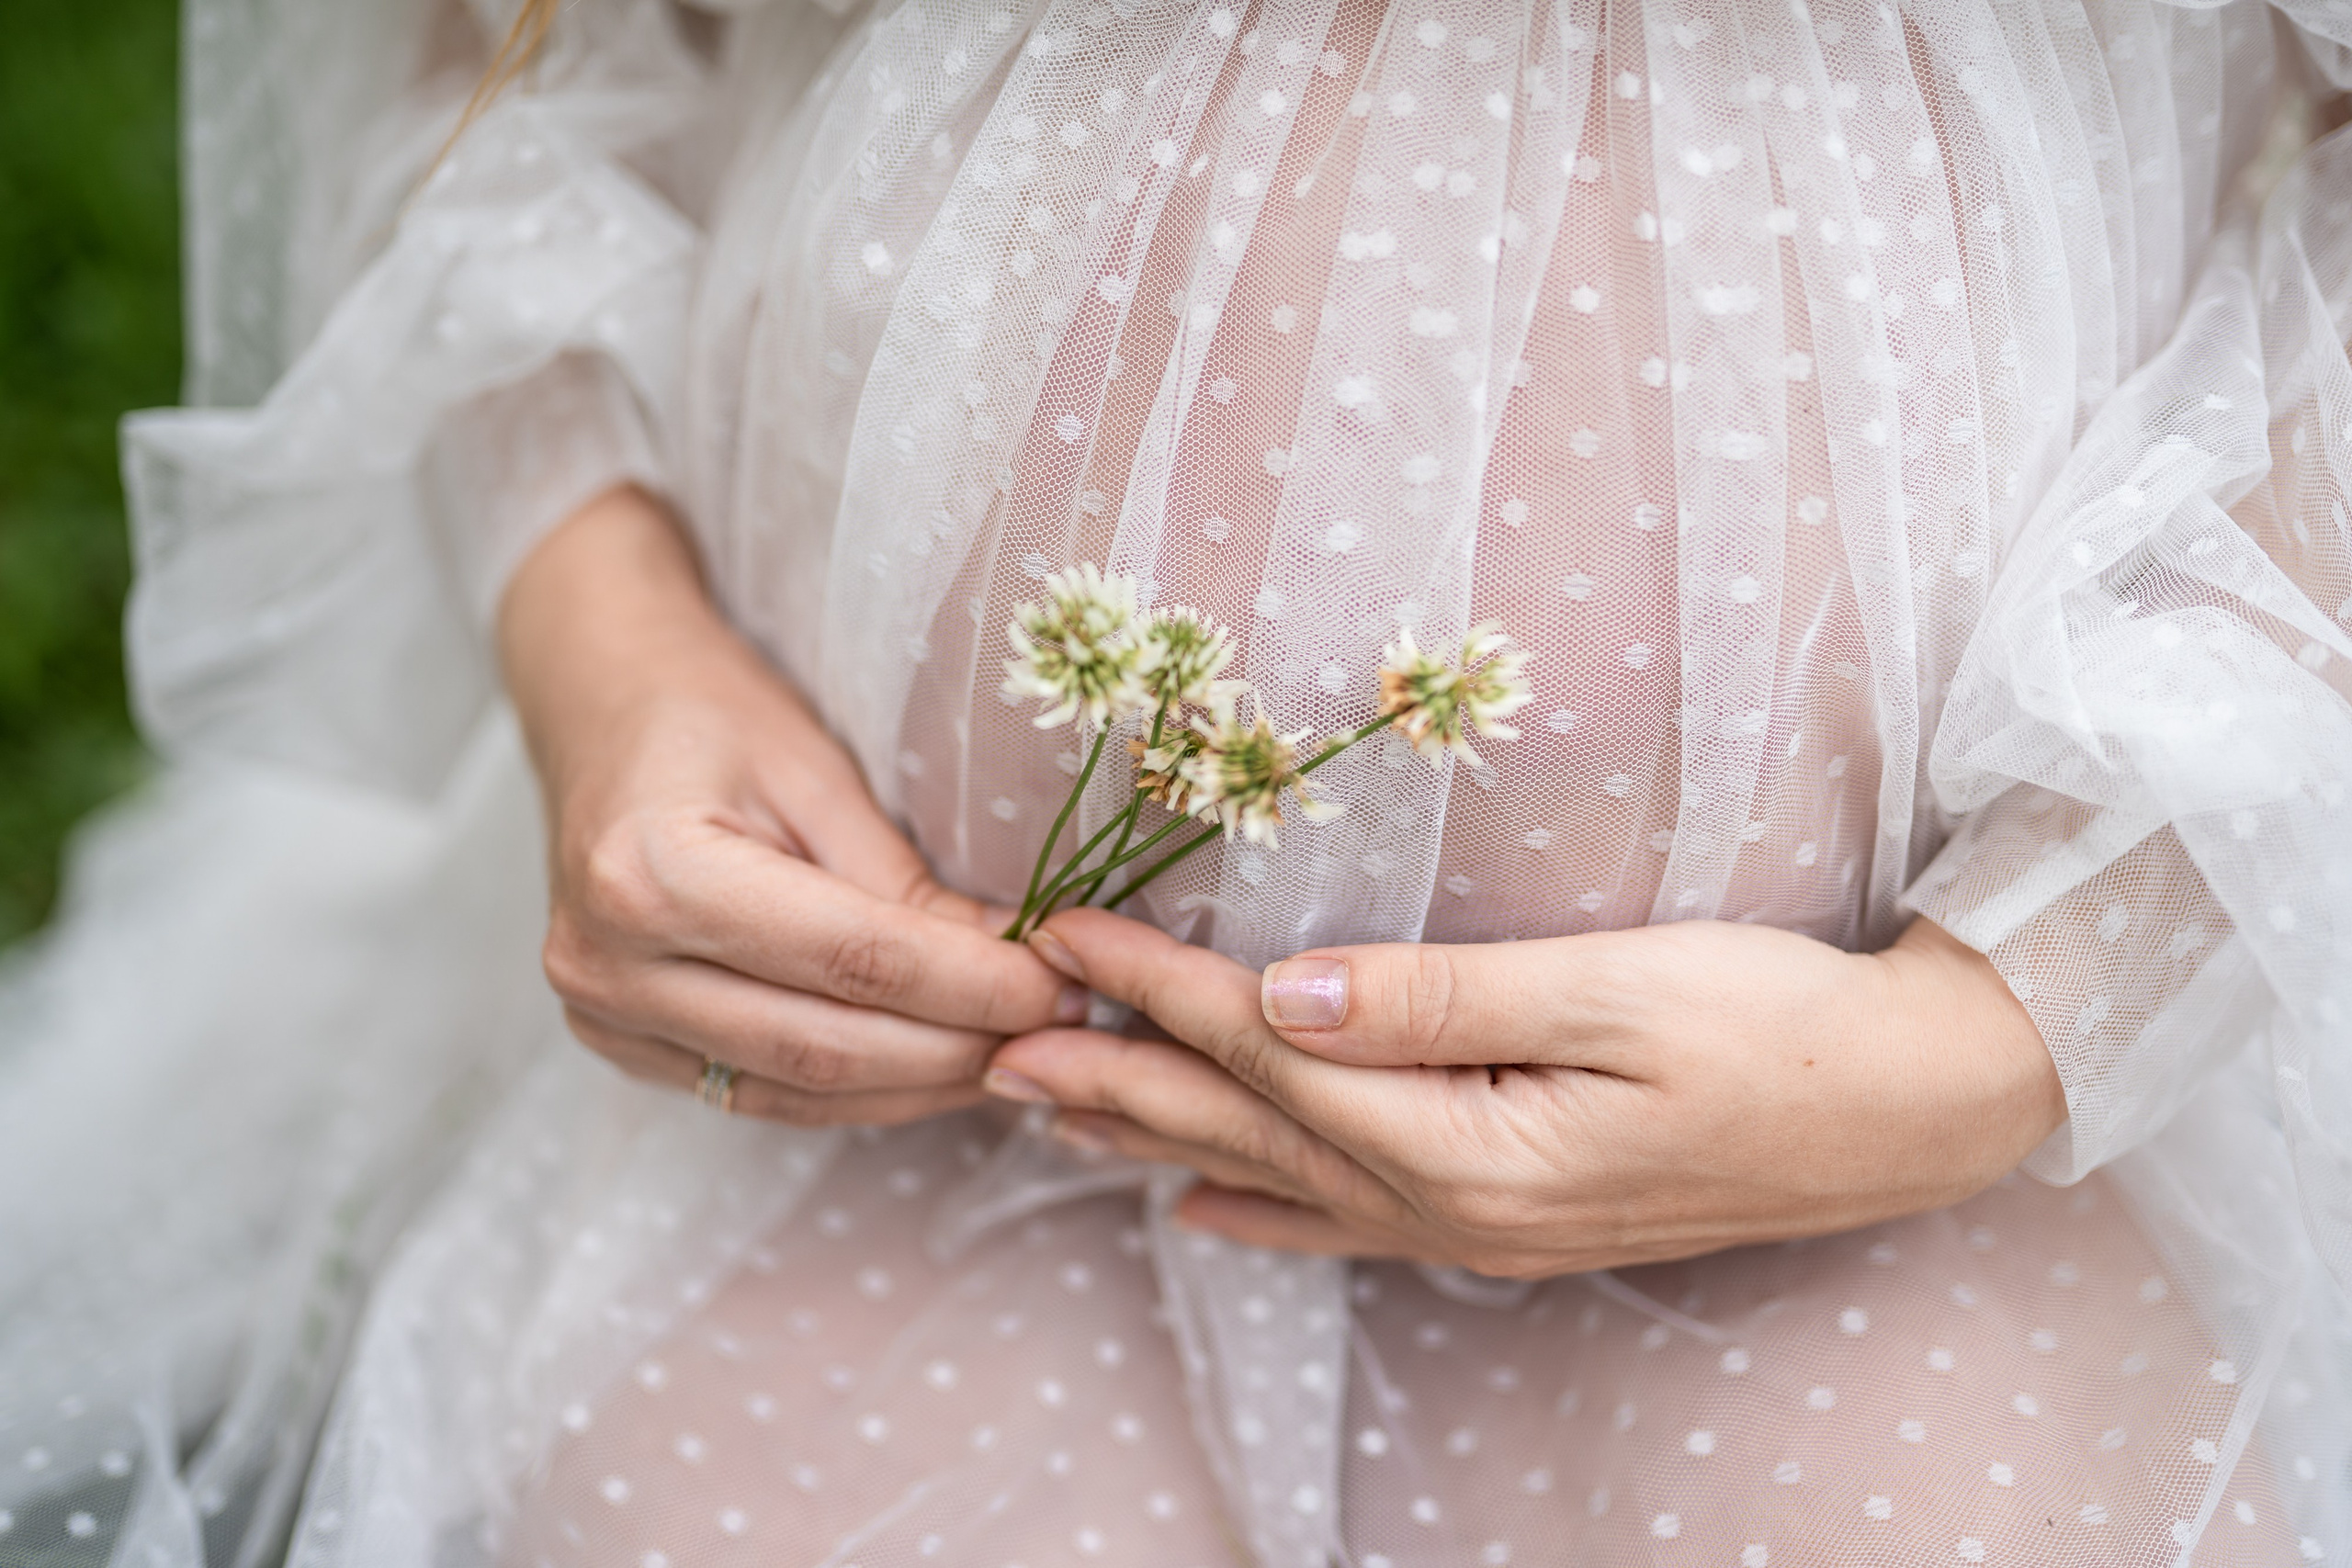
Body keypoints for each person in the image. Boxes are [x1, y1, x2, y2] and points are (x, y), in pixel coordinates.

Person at [5, 0, 2352, 1564]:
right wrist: (599, 624)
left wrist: (2008, 1012)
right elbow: (486, 43)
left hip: (1908, 1163)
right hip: (911, 1106)